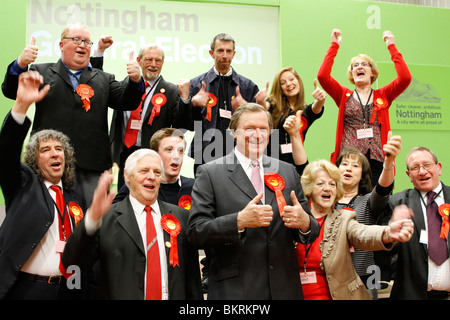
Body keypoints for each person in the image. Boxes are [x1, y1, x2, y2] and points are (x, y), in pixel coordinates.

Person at [1, 22, 145, 206]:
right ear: (61, 45)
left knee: (91, 226)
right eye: (76, 40)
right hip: (48, 165)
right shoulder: (41, 72)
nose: (82, 45)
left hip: (92, 168)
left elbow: (127, 102)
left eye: (86, 41)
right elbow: (10, 91)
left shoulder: (103, 78)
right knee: (49, 221)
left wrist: (135, 81)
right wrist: (20, 64)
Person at [187, 103, 320, 300]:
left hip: (284, 289)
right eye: (250, 128)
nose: (258, 135)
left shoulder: (287, 171)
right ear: (234, 132)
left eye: (263, 129)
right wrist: (238, 221)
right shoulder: (210, 173)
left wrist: (305, 223)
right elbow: (196, 232)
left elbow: (312, 229)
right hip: (236, 292)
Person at [62, 149, 203, 300]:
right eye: (144, 171)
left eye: (156, 172)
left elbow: (192, 280)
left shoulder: (181, 217)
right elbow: (73, 262)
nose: (151, 177)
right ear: (127, 176)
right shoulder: (106, 218)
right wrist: (91, 220)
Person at [0, 71, 87, 299]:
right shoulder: (23, 186)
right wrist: (21, 106)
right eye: (45, 150)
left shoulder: (74, 197)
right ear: (34, 160)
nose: (54, 153)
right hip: (29, 290)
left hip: (67, 290)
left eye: (59, 149)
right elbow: (6, 153)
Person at [297, 159, 414, 300]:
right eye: (320, 183)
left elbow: (363, 234)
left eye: (332, 184)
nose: (327, 188)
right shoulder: (296, 218)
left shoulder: (344, 218)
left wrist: (388, 233)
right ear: (309, 188)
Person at [317, 28, 411, 184]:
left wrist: (392, 46)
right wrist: (334, 45)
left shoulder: (383, 94)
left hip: (377, 161)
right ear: (352, 73)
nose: (359, 67)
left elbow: (405, 77)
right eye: (355, 65)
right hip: (349, 162)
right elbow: (322, 76)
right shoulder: (343, 95)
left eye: (364, 64)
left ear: (372, 72)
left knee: (379, 203)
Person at [109, 44, 192, 189]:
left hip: (154, 156)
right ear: (139, 61)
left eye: (158, 60)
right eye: (148, 59)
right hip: (125, 154)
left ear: (163, 62)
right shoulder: (125, 85)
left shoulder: (171, 91)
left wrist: (185, 99)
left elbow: (182, 127)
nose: (153, 65)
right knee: (125, 195)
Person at [334, 131, 401, 296]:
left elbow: (383, 189)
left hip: (364, 279)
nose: (349, 168)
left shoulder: (368, 202)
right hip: (332, 278)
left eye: (355, 165)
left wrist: (389, 162)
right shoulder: (326, 203)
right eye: (344, 164)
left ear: (362, 174)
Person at [188, 33, 267, 174]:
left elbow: (259, 126)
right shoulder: (196, 84)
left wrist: (247, 108)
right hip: (206, 155)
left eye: (228, 51)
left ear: (234, 54)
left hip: (240, 155)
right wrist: (192, 105)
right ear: (212, 53)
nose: (224, 56)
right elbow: (187, 124)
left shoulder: (248, 86)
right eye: (220, 51)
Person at [387, 146, 450, 300]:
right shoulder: (397, 203)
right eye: (415, 168)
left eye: (427, 165)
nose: (422, 172)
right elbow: (382, 255)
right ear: (409, 175)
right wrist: (391, 231)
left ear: (439, 168)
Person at [113, 128, 195, 206]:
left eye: (180, 151)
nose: (176, 156)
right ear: (155, 154)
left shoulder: (195, 186)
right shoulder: (140, 184)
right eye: (169, 150)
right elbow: (113, 214)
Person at [265, 67, 326, 171]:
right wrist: (260, 101)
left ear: (298, 81)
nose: (288, 84)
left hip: (298, 161)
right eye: (283, 83)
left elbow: (315, 108)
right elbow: (263, 108)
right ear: (279, 88)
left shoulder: (304, 110)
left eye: (291, 79)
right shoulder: (273, 105)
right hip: (273, 162)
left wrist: (321, 99)